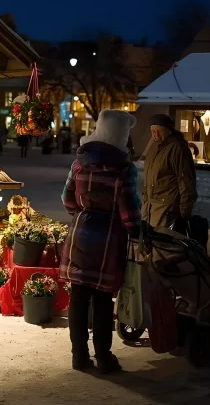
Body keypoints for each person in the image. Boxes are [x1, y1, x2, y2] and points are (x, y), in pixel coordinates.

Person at [60, 109, 141, 374]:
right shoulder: (123, 169)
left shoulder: (79, 163)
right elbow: (128, 210)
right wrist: (136, 231)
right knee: (104, 300)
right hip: (108, 237)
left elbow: (67, 198)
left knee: (79, 297)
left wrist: (83, 214)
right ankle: (104, 357)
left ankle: (78, 356)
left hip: (81, 233)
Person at [142, 114, 197, 234]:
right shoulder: (155, 147)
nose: (156, 135)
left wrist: (183, 213)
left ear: (169, 131)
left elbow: (186, 182)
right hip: (150, 207)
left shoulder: (178, 148)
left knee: (164, 244)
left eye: (159, 131)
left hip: (167, 208)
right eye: (153, 131)